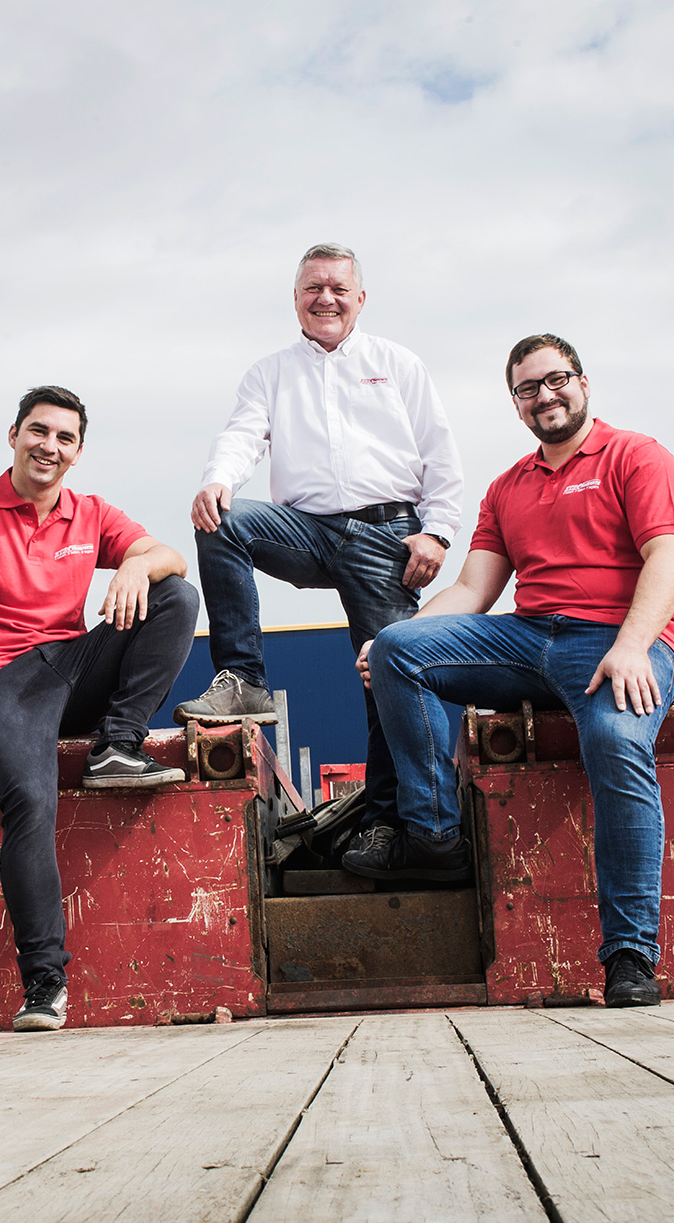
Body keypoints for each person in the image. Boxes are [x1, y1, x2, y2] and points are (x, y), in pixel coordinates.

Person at [350, 334, 674, 1008]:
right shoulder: (508, 487)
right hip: (532, 639)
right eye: (529, 389)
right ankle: (435, 835)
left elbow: (669, 557)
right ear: (516, 405)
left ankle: (629, 956)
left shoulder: (636, 455)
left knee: (616, 742)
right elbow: (475, 590)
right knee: (396, 650)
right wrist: (401, 634)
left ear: (584, 384)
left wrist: (630, 645)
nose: (546, 395)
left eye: (556, 380)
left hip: (625, 638)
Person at [0, 386, 198, 1032]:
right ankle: (44, 984)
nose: (50, 446)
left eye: (64, 438)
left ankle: (117, 746)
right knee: (33, 804)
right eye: (39, 431)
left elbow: (170, 556)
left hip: (67, 670)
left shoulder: (89, 513)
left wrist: (134, 568)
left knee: (175, 594)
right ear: (13, 435)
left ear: (78, 452)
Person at [176, 244, 463, 862]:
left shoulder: (397, 363)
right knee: (221, 521)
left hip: (387, 535)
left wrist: (437, 531)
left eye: (338, 288)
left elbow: (440, 451)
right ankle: (244, 680)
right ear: (296, 300)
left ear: (360, 298)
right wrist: (218, 478)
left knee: (386, 677)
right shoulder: (270, 372)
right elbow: (242, 435)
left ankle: (394, 826)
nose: (325, 299)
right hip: (306, 528)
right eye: (312, 289)